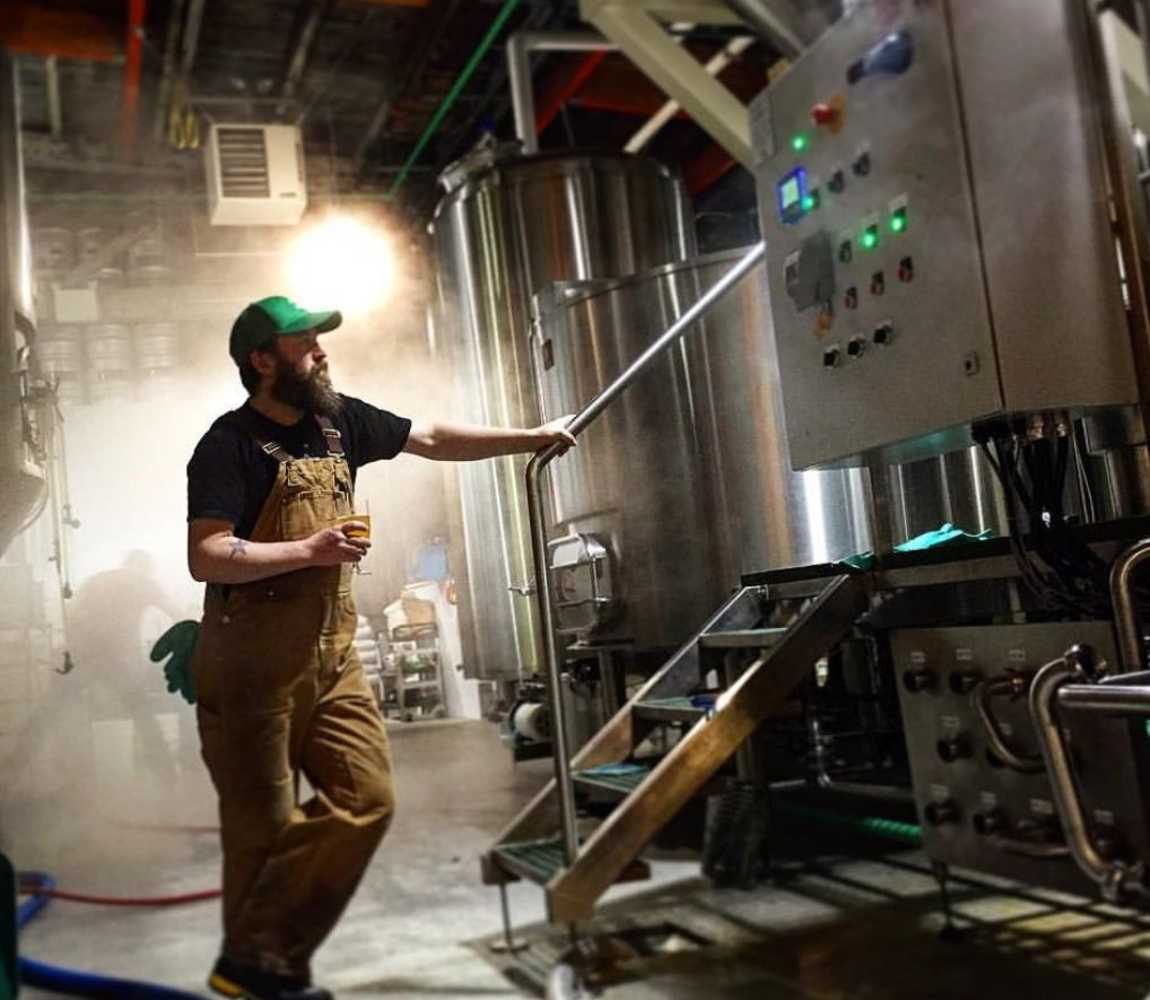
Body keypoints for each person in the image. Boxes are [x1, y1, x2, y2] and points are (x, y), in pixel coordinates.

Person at [185, 295, 574, 1000]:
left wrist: (530, 437)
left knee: (367, 797)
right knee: (260, 829)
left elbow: (431, 437)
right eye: (305, 344)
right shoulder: (226, 444)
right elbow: (207, 555)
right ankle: (266, 970)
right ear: (262, 361)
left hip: (332, 657)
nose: (322, 353)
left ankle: (253, 953)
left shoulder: (339, 422)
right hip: (249, 665)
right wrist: (309, 547)